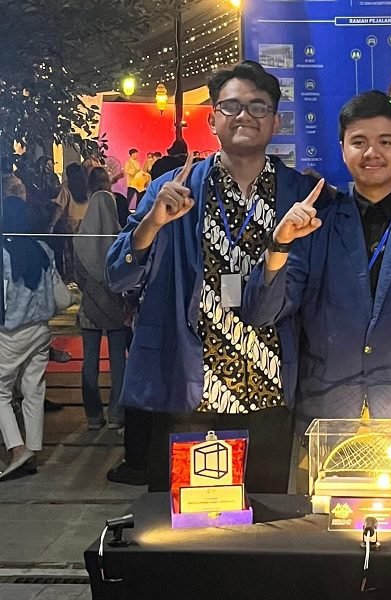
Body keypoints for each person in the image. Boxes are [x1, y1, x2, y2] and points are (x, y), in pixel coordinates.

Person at [241, 91, 391, 483]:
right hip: (328, 419)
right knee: (324, 523)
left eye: (385, 141)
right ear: (342, 149)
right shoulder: (314, 226)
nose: (372, 152)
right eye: (359, 142)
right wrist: (279, 244)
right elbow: (262, 312)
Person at [105, 61, 318, 491]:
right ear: (212, 119)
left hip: (268, 392)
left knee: (265, 519)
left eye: (258, 106)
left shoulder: (301, 195)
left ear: (275, 121)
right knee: (182, 525)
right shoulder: (173, 189)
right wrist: (153, 222)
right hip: (188, 392)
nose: (244, 116)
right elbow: (117, 275)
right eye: (231, 106)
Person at [0, 197, 70, 480]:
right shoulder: (43, 249)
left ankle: (17, 449)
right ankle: (33, 448)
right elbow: (59, 295)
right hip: (41, 330)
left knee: (1, 392)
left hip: (10, 333)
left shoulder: (3, 253)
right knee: (34, 390)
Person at [74, 168, 128, 430]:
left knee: (89, 362)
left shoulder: (79, 239)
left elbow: (78, 277)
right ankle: (117, 414)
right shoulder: (121, 239)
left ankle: (93, 416)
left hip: (89, 308)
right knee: (119, 362)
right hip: (116, 306)